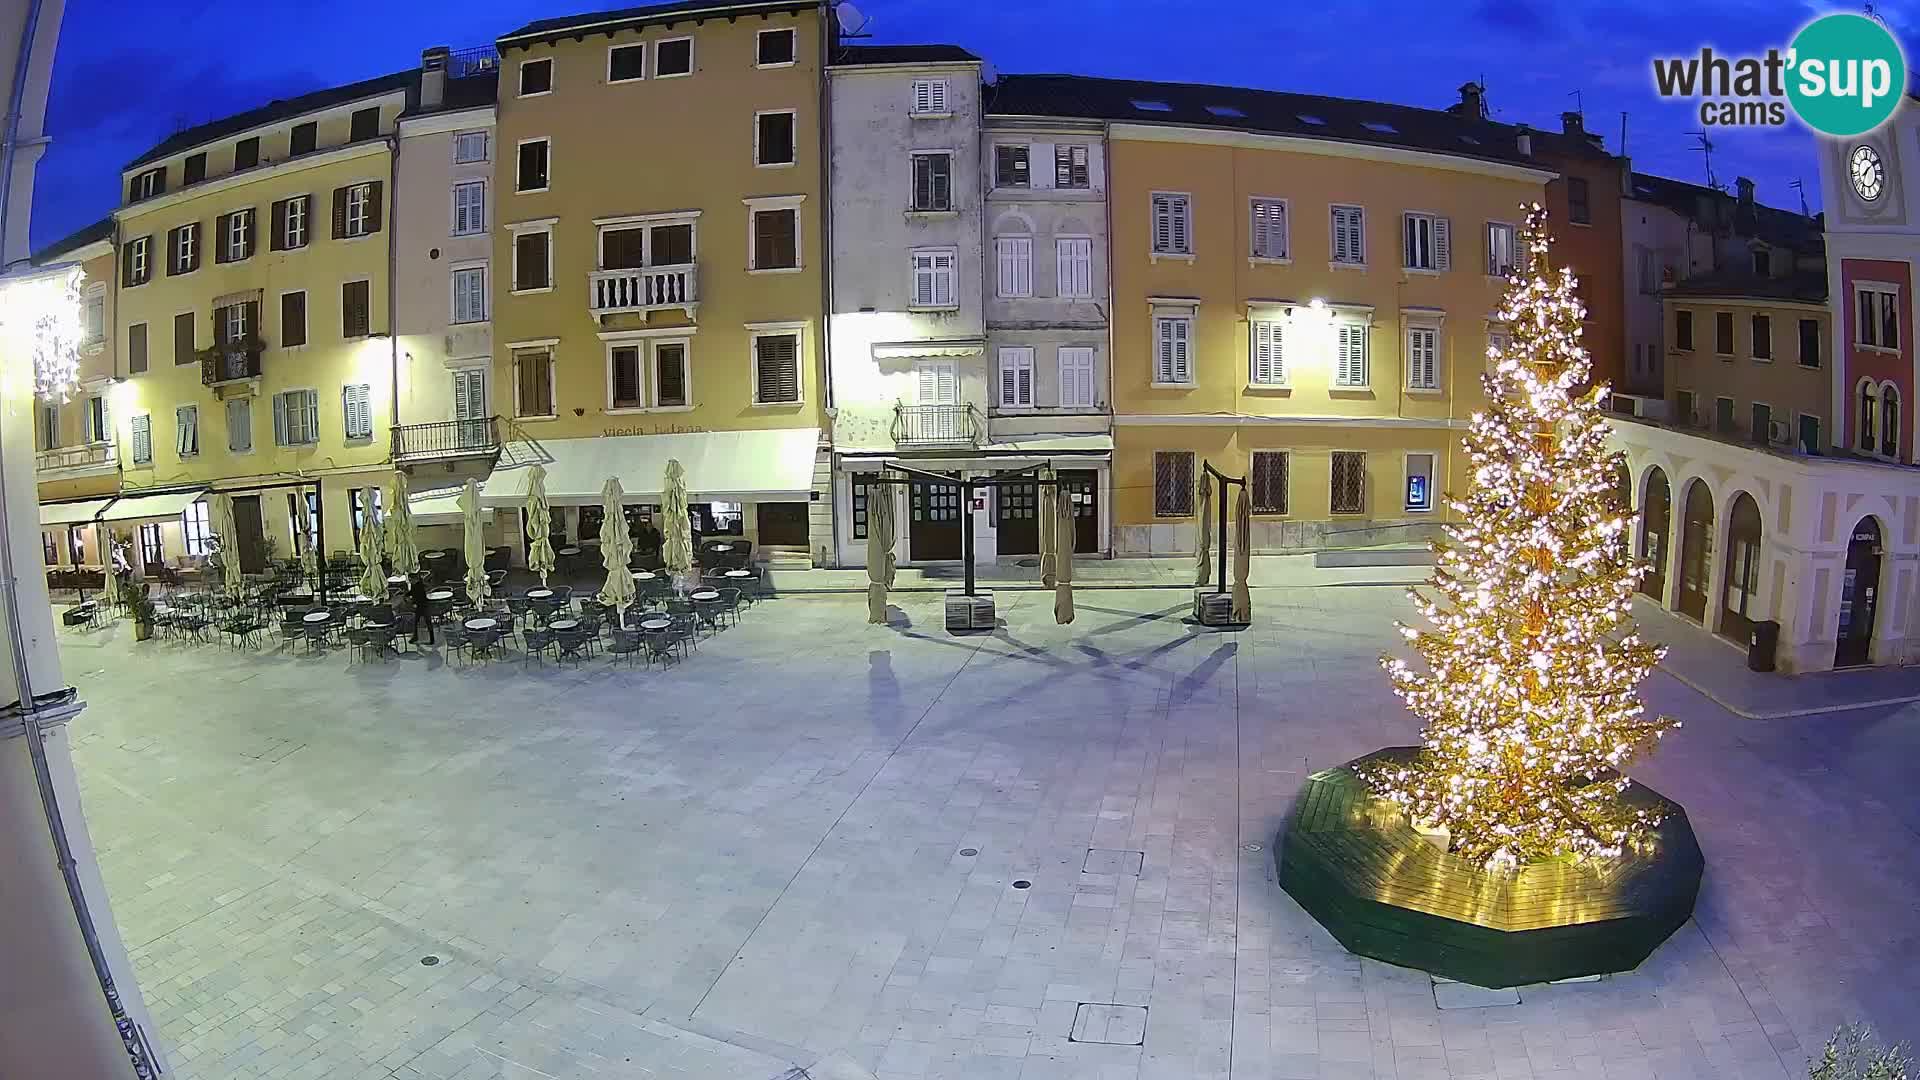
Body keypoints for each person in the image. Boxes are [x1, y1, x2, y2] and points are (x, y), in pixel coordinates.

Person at [407, 572, 436, 646]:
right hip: (418, 606)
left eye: (410, 580)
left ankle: (432, 639)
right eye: (409, 580)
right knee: (415, 622)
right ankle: (415, 637)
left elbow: (419, 596)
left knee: (428, 622)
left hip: (423, 605)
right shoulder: (413, 585)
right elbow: (412, 592)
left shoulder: (420, 585)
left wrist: (413, 602)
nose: (410, 581)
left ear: (414, 579)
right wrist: (406, 594)